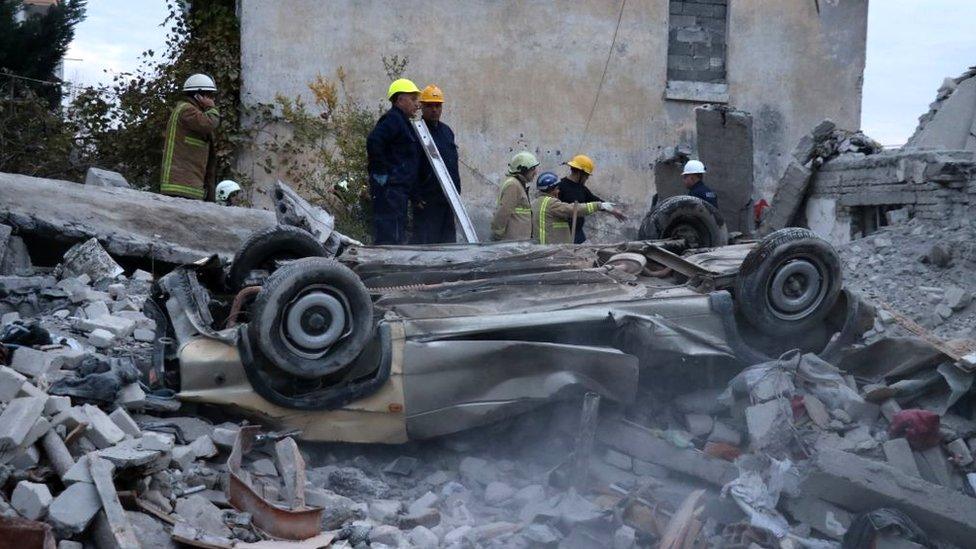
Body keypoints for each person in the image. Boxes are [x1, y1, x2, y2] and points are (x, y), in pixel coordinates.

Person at [366, 78, 423, 245]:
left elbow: (407, 161)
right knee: (389, 238)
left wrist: (414, 194)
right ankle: (384, 269)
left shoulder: (403, 122)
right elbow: (374, 141)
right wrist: (381, 173)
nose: (416, 104)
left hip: (398, 191)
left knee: (397, 236)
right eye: (412, 99)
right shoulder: (393, 120)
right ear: (400, 100)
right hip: (390, 191)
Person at [160, 74, 221, 201]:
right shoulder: (187, 110)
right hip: (181, 186)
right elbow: (209, 123)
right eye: (209, 95)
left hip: (185, 183)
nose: (211, 99)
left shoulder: (189, 110)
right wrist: (211, 107)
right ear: (198, 95)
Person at [411, 84, 459, 244]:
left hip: (448, 198)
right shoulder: (417, 131)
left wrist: (457, 191)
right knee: (427, 245)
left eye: (438, 106)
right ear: (422, 107)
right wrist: (415, 194)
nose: (434, 110)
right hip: (427, 200)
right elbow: (411, 165)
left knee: (448, 242)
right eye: (430, 106)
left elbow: (453, 163)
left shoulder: (447, 132)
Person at [532, 172, 625, 244]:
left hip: (557, 241)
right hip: (554, 246)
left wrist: (609, 208)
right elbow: (573, 209)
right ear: (551, 189)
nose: (558, 191)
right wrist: (598, 205)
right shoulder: (551, 202)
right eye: (556, 188)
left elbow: (591, 198)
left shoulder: (536, 202)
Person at [490, 151, 539, 241]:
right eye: (533, 169)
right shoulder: (513, 185)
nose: (535, 173)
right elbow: (503, 212)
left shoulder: (518, 184)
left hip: (518, 242)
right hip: (511, 243)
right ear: (523, 169)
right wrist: (498, 237)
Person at [556, 154, 604, 244]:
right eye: (586, 176)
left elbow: (594, 199)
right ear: (579, 173)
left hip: (578, 232)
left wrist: (611, 209)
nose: (587, 179)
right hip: (564, 232)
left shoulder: (581, 188)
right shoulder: (560, 186)